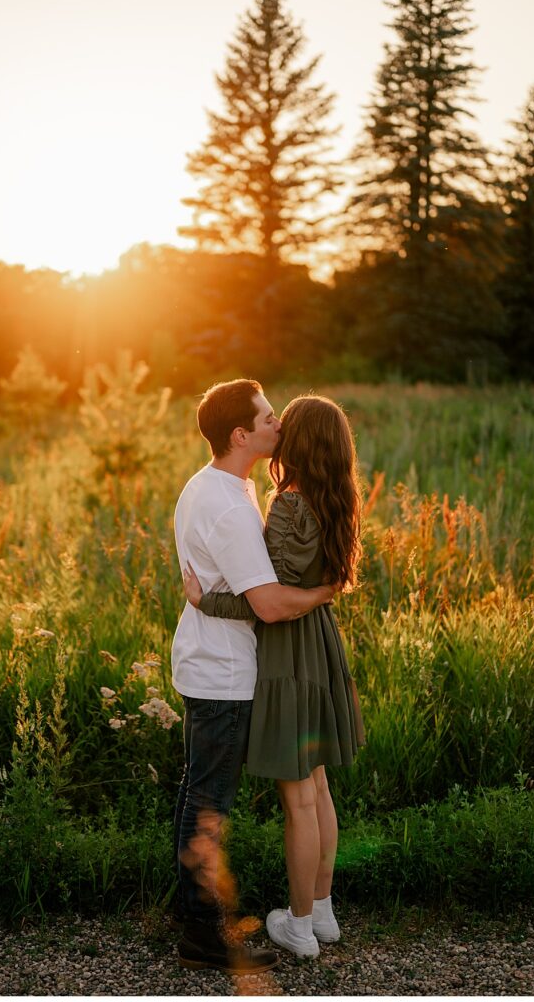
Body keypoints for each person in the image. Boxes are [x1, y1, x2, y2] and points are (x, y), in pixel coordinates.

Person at [183, 394, 365, 961]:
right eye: (270, 417)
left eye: (285, 421)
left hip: (288, 652)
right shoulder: (338, 498)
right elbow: (306, 587)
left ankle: (301, 925)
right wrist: (321, 593)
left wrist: (207, 600)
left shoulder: (288, 504)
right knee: (318, 788)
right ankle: (324, 911)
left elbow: (267, 601)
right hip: (321, 646)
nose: (277, 426)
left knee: (300, 801)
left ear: (301, 442)